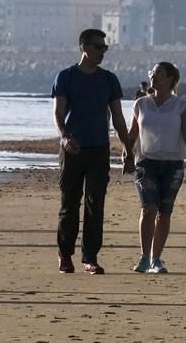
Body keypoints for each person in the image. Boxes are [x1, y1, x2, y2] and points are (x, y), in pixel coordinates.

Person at [52, 28, 129, 275]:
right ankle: (65, 255)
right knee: (70, 203)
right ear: (84, 47)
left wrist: (128, 148)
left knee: (96, 205)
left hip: (99, 149)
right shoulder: (66, 77)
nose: (103, 52)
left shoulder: (109, 79)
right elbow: (58, 112)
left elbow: (118, 117)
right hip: (73, 149)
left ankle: (90, 258)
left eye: (105, 48)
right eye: (98, 47)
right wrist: (64, 137)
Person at [124, 62, 186, 275]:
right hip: (146, 163)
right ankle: (144, 257)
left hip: (173, 165)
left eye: (158, 74)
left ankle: (156, 259)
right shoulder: (141, 104)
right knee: (148, 208)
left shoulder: (181, 106)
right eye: (152, 73)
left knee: (164, 213)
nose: (153, 77)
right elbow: (132, 133)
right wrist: (127, 153)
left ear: (170, 79)